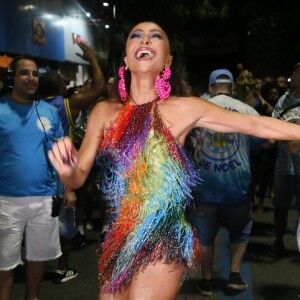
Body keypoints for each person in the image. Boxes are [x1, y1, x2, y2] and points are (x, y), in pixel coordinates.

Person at [48, 22, 300, 300]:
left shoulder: (183, 108)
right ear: (126, 58)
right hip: (118, 240)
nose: (145, 40)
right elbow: (78, 176)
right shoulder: (103, 112)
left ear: (167, 60)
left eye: (155, 36)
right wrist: (68, 171)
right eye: (136, 36)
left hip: (162, 240)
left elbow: (257, 125)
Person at [185, 69, 266, 296]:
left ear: (210, 88)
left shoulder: (195, 110)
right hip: (236, 188)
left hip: (204, 188)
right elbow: (261, 142)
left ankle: (207, 281)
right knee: (239, 232)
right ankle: (234, 275)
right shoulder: (247, 111)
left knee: (204, 236)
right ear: (232, 87)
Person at [37, 42, 105, 283]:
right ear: (57, 86)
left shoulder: (27, 106)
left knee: (38, 226)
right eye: (63, 81)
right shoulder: (67, 105)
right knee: (65, 227)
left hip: (34, 178)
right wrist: (91, 57)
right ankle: (61, 267)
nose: (66, 84)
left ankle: (35, 268)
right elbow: (98, 86)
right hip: (61, 177)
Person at [0, 55, 62, 300]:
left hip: (44, 199)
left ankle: (31, 297)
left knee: (38, 256)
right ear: (11, 78)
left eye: (35, 74)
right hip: (6, 199)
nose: (31, 78)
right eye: (24, 73)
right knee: (5, 262)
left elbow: (59, 151)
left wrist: (65, 188)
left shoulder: (49, 112)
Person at [269, 62, 300, 257]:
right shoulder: (284, 100)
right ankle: (278, 240)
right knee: (281, 204)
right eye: (296, 72)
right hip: (284, 163)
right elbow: (273, 124)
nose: (298, 76)